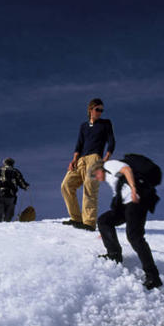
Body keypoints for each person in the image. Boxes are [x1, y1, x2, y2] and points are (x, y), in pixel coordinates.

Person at [90, 159, 162, 290]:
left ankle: (153, 277)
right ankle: (114, 255)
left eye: (95, 175)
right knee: (104, 221)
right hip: (126, 206)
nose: (96, 178)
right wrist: (105, 231)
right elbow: (118, 197)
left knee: (135, 237)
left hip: (136, 201)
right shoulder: (111, 179)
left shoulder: (108, 165)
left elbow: (127, 169)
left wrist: (134, 190)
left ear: (99, 169)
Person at [61, 98, 115, 231]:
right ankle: (76, 218)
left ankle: (89, 223)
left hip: (95, 159)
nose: (100, 112)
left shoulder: (105, 123)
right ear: (90, 109)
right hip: (80, 160)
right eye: (98, 109)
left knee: (89, 187)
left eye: (102, 110)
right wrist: (74, 160)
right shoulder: (83, 126)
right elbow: (78, 145)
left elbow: (111, 141)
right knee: (66, 185)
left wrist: (105, 159)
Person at [0, 157, 29, 222]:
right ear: (12, 164)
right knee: (8, 216)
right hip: (10, 195)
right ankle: (6, 227)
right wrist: (25, 186)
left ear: (4, 163)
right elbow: (21, 182)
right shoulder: (15, 171)